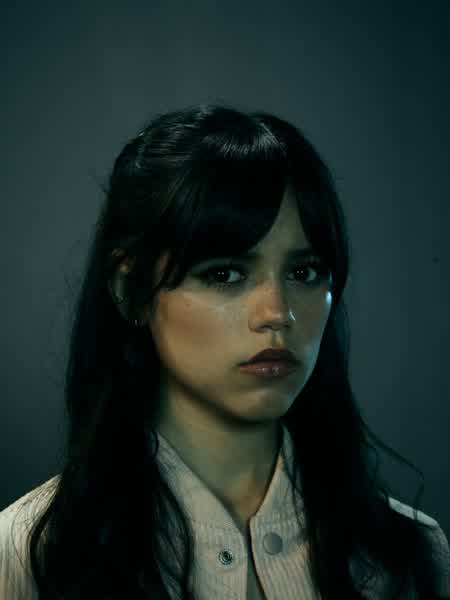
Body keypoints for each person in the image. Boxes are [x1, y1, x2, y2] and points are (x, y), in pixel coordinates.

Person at [1, 102, 449, 600]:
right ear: (130, 289)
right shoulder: (27, 556)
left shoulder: (411, 556)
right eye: (224, 273)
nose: (277, 312)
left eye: (304, 272)